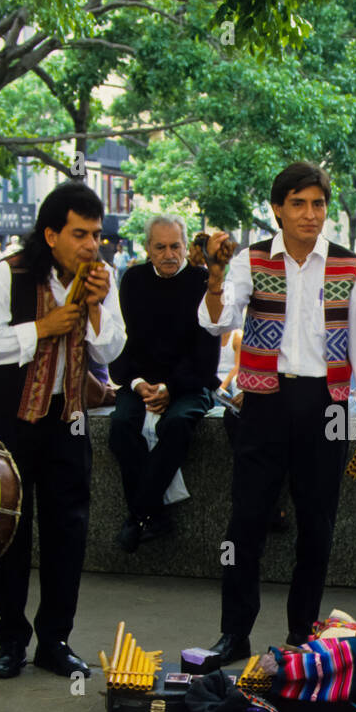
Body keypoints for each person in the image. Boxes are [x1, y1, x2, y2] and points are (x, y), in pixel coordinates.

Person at [199, 162, 356, 663]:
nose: (310, 214)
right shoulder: (249, 260)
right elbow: (218, 321)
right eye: (298, 203)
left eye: (318, 203)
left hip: (328, 403)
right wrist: (215, 278)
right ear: (277, 209)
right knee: (246, 522)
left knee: (317, 523)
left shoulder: (348, 265)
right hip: (265, 400)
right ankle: (234, 633)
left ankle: (302, 634)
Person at [0, 182, 126, 679]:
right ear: (51, 234)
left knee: (68, 530)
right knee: (11, 530)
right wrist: (41, 328)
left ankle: (55, 639)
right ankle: (11, 638)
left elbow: (110, 352)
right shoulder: (8, 273)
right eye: (79, 234)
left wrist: (97, 308)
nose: (90, 246)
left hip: (67, 418)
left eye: (96, 235)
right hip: (9, 419)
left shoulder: (102, 278)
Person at [109, 214, 219, 552]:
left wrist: (171, 388)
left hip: (190, 382)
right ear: (147, 248)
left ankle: (140, 514)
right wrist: (140, 383)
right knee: (121, 426)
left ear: (186, 247)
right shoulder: (133, 280)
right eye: (161, 247)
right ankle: (154, 515)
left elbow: (206, 354)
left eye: (176, 246)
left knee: (177, 425)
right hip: (140, 380)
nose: (169, 254)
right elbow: (121, 344)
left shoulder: (202, 282)